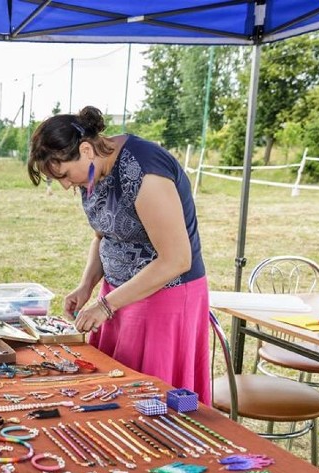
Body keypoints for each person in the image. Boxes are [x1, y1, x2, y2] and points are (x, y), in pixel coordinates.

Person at [27, 106, 210, 404]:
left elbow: (177, 260)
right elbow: (104, 236)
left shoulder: (146, 170)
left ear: (86, 149)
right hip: (117, 297)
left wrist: (105, 307)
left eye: (63, 175)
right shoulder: (91, 171)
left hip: (165, 300)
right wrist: (87, 285)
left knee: (151, 401)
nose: (64, 186)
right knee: (114, 397)